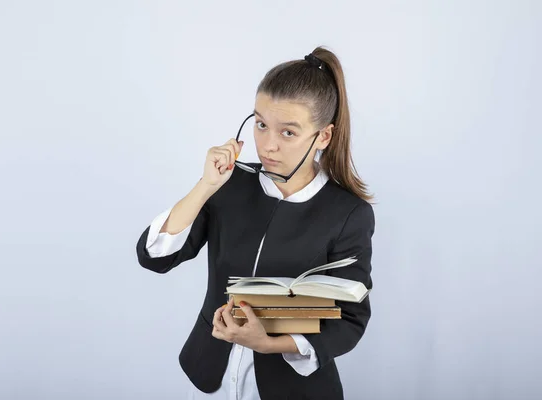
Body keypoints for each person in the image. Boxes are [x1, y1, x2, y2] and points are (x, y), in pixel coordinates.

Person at [136, 46, 376, 400]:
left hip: (293, 387)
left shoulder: (348, 213)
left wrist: (272, 343)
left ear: (323, 136)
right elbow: (155, 257)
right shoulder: (228, 184)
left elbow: (351, 318)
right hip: (211, 374)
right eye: (261, 125)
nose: (268, 145)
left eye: (288, 133)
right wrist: (205, 187)